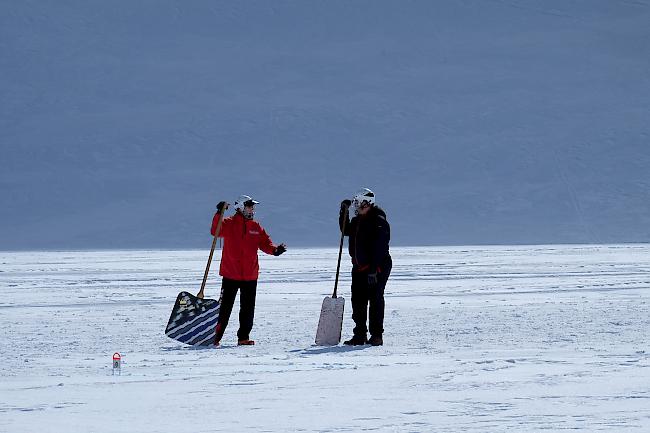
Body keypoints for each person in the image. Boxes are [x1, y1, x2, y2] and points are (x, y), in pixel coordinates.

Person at [211, 195, 286, 346]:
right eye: (249, 206)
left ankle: (243, 337)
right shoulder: (229, 223)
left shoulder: (256, 226)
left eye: (253, 207)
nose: (252, 209)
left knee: (247, 309)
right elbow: (215, 231)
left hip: (250, 275)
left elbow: (265, 243)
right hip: (230, 274)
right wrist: (219, 212)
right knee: (224, 309)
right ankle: (215, 337)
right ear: (240, 207)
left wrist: (275, 250)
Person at [339, 188, 392, 346]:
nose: (356, 206)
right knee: (358, 301)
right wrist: (344, 211)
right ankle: (360, 334)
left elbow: (380, 247)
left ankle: (376, 335)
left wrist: (374, 269)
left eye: (359, 203)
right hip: (359, 268)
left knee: (375, 299)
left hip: (378, 267)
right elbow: (345, 229)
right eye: (355, 203)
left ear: (368, 203)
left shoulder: (378, 221)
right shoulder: (356, 221)